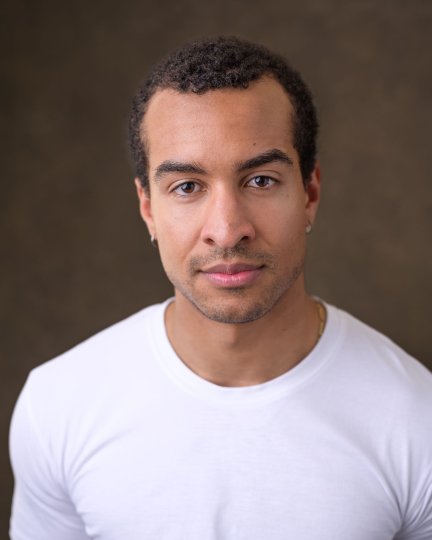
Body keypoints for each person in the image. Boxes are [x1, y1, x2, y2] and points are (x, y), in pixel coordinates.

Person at [9, 37, 432, 540]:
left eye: (261, 180)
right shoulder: (59, 404)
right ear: (148, 209)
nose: (227, 231)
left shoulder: (416, 418)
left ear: (310, 193)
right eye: (187, 187)